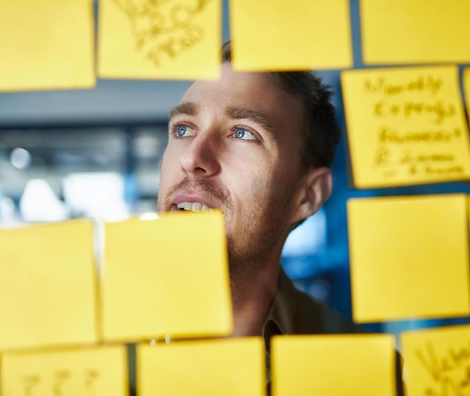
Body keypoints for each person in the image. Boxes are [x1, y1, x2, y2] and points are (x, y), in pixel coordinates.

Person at [151, 41, 377, 390]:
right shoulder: (67, 345)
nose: (193, 157)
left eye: (243, 133)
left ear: (307, 196)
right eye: (183, 129)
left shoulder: (366, 377)